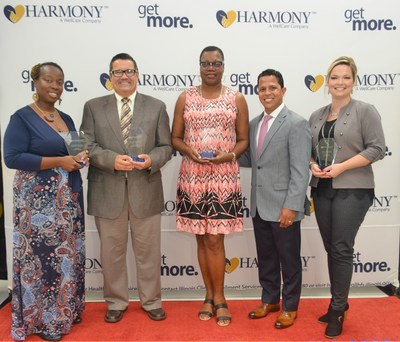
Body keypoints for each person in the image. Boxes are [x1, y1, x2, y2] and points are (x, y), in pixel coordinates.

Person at [80, 53, 172, 323]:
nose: (124, 76)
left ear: (138, 74)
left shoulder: (156, 106)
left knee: (148, 252)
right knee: (111, 253)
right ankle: (116, 302)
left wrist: (151, 160)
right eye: (118, 72)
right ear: (110, 77)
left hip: (146, 189)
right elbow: (87, 145)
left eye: (129, 71)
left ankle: (152, 300)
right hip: (107, 191)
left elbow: (166, 147)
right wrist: (112, 161)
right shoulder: (93, 107)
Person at [3, 62, 88, 341]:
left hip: (68, 201)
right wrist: (59, 161)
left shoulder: (67, 118)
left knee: (66, 259)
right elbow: (12, 157)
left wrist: (81, 157)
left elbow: (76, 151)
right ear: (35, 82)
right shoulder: (22, 118)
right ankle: (44, 320)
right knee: (43, 262)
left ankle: (66, 310)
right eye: (48, 80)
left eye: (59, 81)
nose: (54, 86)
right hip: (38, 205)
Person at [171, 46, 249, 327]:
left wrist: (228, 155)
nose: (211, 68)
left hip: (224, 177)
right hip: (192, 176)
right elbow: (175, 138)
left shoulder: (236, 98)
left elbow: (243, 141)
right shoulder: (185, 98)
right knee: (201, 238)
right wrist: (189, 151)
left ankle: (220, 298)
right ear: (199, 66)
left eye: (216, 63)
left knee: (216, 239)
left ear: (224, 66)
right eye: (206, 63)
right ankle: (207, 294)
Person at [309, 56, 385, 339]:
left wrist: (342, 166)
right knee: (332, 248)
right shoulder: (316, 115)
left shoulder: (365, 111)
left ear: (354, 81)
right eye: (335, 77)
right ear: (327, 82)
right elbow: (310, 150)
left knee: (341, 247)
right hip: (322, 188)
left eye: (346, 77)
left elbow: (377, 148)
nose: (340, 82)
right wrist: (311, 165)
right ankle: (337, 302)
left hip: (353, 188)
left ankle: (338, 309)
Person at [239, 69, 311, 329]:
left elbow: (301, 171)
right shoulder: (255, 123)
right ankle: (270, 300)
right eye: (262, 88)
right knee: (267, 258)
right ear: (257, 92)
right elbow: (251, 160)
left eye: (272, 87)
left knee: (289, 261)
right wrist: (223, 150)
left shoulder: (296, 123)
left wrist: (291, 206)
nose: (267, 93)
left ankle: (290, 306)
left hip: (284, 208)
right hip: (259, 205)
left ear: (283, 90)